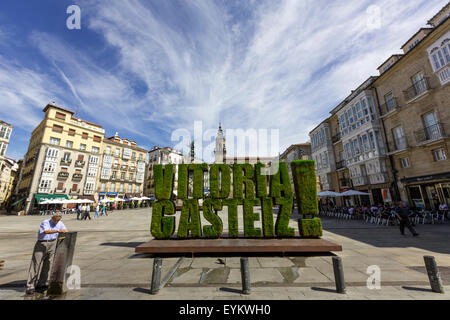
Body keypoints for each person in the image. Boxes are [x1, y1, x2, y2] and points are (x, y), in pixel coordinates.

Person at [26, 213, 68, 295]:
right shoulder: (45, 222)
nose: (57, 221)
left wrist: (62, 231)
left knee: (48, 264)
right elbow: (46, 231)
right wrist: (58, 231)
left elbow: (65, 230)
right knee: (35, 265)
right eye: (55, 219)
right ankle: (30, 286)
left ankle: (42, 283)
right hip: (42, 243)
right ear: (52, 217)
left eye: (58, 220)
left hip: (53, 243)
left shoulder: (60, 223)